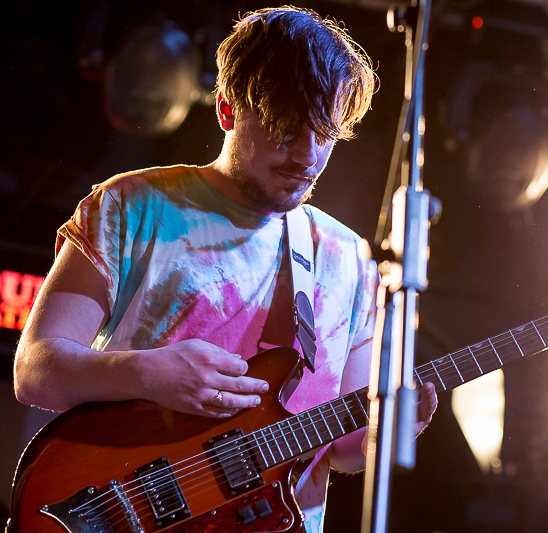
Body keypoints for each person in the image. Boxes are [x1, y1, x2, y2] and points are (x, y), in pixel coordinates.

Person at [13, 6, 437, 532]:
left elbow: (343, 452)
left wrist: (391, 427)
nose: (306, 154)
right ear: (227, 110)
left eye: (325, 132)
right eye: (286, 130)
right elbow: (35, 371)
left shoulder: (352, 260)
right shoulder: (132, 205)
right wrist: (146, 373)